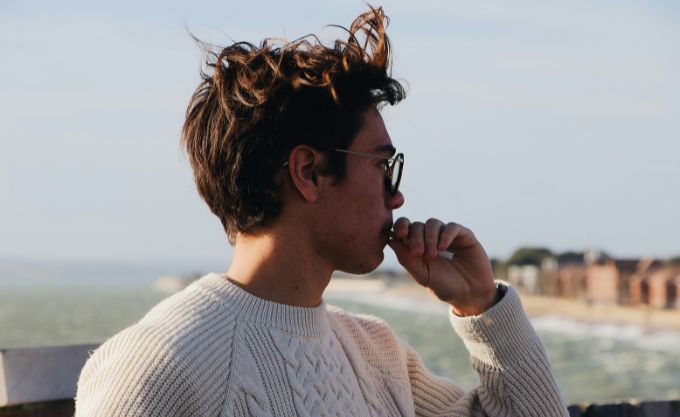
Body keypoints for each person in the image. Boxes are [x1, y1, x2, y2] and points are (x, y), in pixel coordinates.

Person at [75, 7, 568, 417]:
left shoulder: (379, 355)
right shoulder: (157, 367)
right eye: (382, 167)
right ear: (309, 172)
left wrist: (482, 304)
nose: (395, 197)